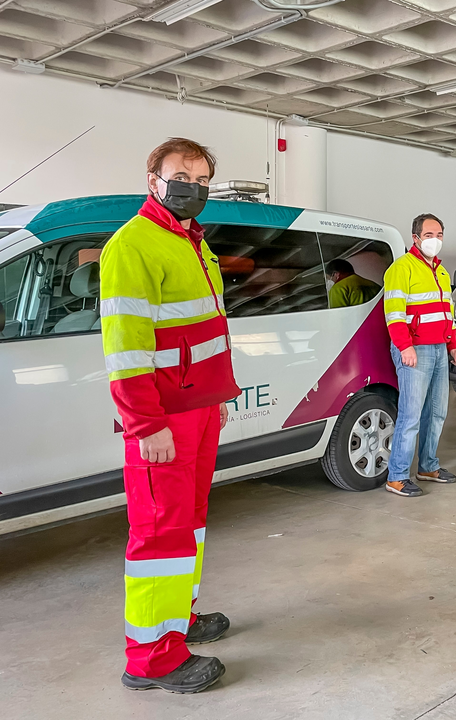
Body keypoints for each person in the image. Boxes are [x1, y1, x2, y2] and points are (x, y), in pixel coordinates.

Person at [100, 138, 240, 694]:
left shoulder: (193, 242)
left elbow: (207, 330)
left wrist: (218, 394)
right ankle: (152, 658)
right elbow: (126, 350)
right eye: (183, 176)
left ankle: (178, 619)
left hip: (199, 407)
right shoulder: (133, 245)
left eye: (203, 181)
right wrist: (146, 424)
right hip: (163, 416)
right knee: (160, 531)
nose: (193, 187)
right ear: (153, 179)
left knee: (189, 523)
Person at [382, 213, 456, 497]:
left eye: (439, 235)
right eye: (429, 235)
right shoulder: (401, 268)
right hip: (414, 350)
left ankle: (428, 466)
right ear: (415, 237)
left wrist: (453, 345)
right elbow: (394, 313)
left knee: (437, 412)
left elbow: (447, 314)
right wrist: (405, 346)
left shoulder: (441, 271)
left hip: (439, 348)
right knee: (411, 416)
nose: (435, 240)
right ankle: (397, 476)